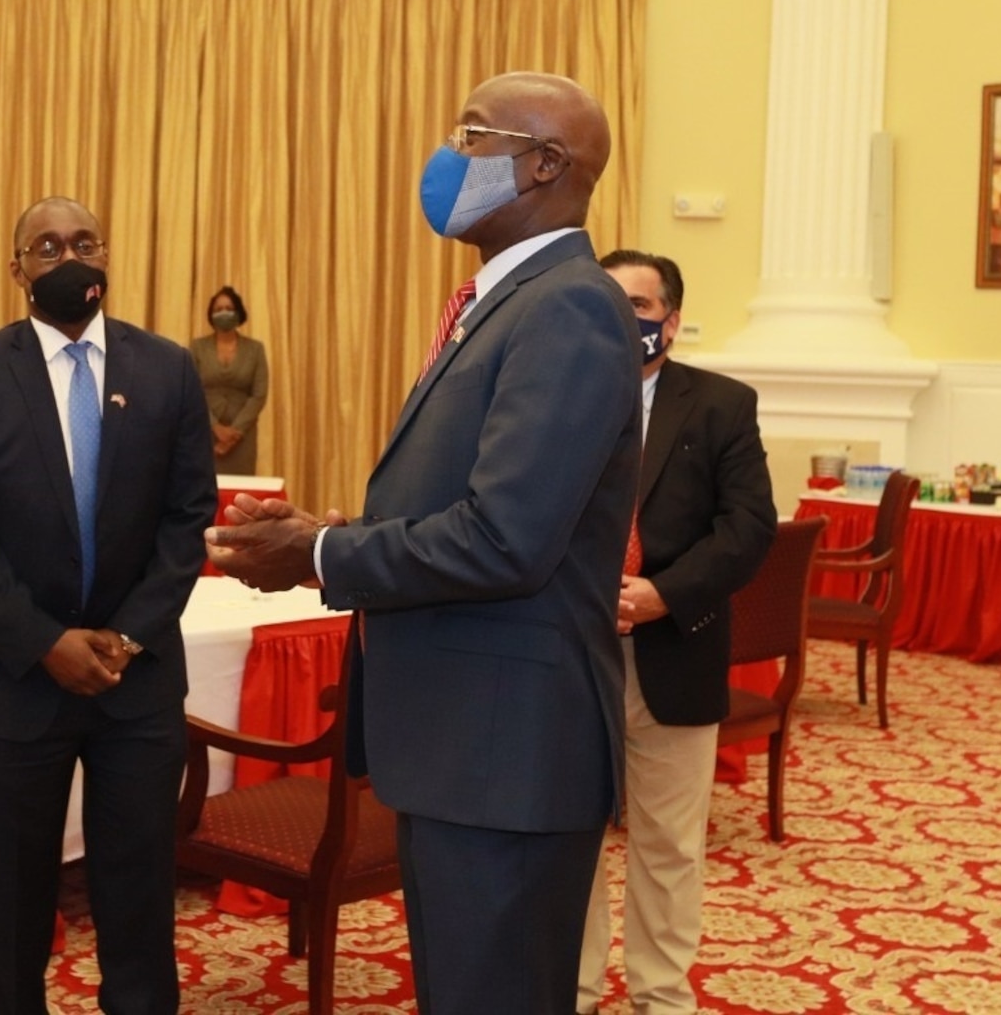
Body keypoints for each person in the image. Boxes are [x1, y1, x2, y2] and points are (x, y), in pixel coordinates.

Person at [206, 72, 643, 1013]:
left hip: (508, 755)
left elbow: (504, 541)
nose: (449, 157)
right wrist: (333, 531)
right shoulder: (503, 300)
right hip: (470, 746)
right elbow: (469, 501)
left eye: (470, 135)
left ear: (543, 165)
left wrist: (320, 560)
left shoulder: (567, 305)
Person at [0, 196, 217, 1015]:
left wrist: (124, 638)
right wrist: (48, 641)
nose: (70, 258)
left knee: (137, 893)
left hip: (139, 683)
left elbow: (186, 519)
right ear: (19, 268)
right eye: (48, 246)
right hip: (14, 681)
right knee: (12, 903)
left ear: (107, 254)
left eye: (85, 242)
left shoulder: (166, 370)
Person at [576, 251, 776, 1015]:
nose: (625, 318)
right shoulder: (554, 396)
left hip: (673, 651)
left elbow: (748, 527)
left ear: (672, 318)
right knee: (570, 843)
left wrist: (662, 593)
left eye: (639, 303)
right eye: (607, 300)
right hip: (570, 657)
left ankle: (660, 997)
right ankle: (575, 988)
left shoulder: (721, 404)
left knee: (666, 849)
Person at [189, 285, 269, 474]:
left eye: (228, 308)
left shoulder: (255, 349)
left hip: (242, 436)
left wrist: (234, 433)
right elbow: (191, 391)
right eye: (218, 309)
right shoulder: (197, 347)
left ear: (238, 312)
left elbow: (259, 395)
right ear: (211, 315)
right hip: (205, 431)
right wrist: (215, 427)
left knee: (240, 495)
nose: (223, 313)